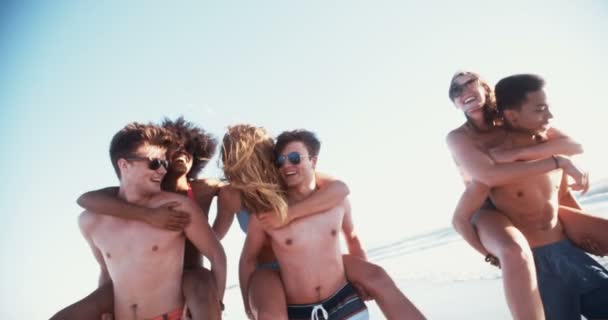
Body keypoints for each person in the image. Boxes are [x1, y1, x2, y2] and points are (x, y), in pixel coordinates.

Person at [217, 125, 424, 320]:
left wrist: (290, 214)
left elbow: (340, 189)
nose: (246, 172)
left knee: (376, 275)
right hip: (270, 270)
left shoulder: (288, 175)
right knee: (271, 312)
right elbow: (236, 252)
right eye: (236, 164)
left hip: (317, 257)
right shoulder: (235, 196)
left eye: (250, 161)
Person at [446, 71, 607, 319]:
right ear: (455, 103)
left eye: (469, 83)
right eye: (456, 90)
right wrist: (489, 255)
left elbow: (571, 152)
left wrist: (579, 228)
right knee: (515, 254)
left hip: (558, 238)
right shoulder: (460, 138)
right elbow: (485, 179)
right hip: (498, 219)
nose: (464, 91)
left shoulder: (518, 125)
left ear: (485, 88)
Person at [51, 117, 224, 320]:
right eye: (154, 163)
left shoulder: (177, 207)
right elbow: (107, 272)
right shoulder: (90, 222)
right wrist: (106, 312)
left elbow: (217, 255)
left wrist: (217, 303)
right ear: (124, 165)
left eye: (164, 164)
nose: (162, 170)